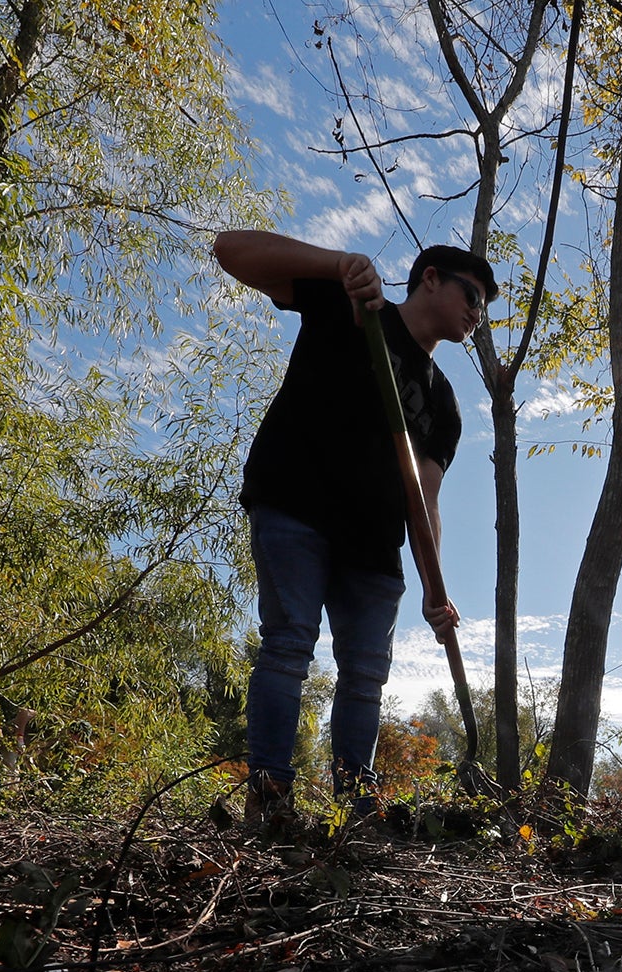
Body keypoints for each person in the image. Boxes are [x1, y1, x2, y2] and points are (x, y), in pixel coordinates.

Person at [211, 231, 494, 830]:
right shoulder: (354, 302)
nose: (478, 312)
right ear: (431, 278)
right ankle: (270, 799)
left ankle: (353, 815)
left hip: (373, 547)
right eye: (472, 294)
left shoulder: (443, 404)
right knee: (289, 645)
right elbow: (229, 250)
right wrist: (336, 264)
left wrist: (435, 587)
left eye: (485, 306)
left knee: (366, 677)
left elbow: (427, 501)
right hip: (295, 505)